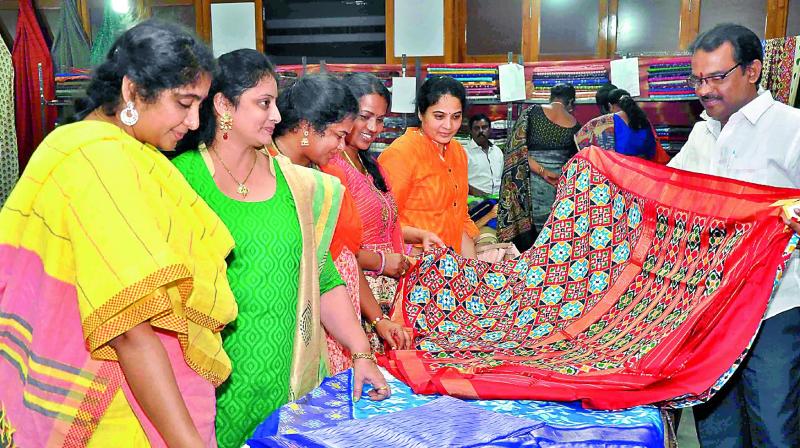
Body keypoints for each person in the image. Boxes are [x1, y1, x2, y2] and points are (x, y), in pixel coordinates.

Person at [0, 20, 231, 447]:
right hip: (114, 405)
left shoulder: (84, 146)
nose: (194, 120)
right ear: (131, 91)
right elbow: (129, 328)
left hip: (127, 386)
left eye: (200, 105)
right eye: (184, 103)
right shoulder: (98, 160)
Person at [174, 55, 389, 448]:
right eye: (263, 103)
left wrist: (361, 352)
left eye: (275, 102)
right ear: (223, 105)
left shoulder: (301, 186)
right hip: (210, 382)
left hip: (290, 377)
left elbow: (321, 275)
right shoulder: (181, 179)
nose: (276, 114)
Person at [668, 23, 800, 447]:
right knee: (717, 426)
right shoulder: (701, 133)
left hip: (774, 308)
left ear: (753, 70)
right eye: (697, 79)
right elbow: (670, 194)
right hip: (712, 306)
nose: (704, 90)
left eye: (716, 77)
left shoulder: (791, 128)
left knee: (774, 425)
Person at [320, 72, 442, 353]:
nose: (373, 127)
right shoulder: (331, 167)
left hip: (390, 294)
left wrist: (419, 235)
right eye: (365, 116)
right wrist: (380, 262)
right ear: (345, 113)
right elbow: (333, 247)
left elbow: (384, 226)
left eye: (380, 119)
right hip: (359, 299)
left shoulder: (370, 164)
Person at [379, 76, 480, 258]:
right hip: (412, 264)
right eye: (439, 116)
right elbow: (382, 224)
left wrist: (472, 274)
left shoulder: (457, 151)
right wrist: (419, 241)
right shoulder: (400, 154)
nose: (448, 126)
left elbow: (460, 218)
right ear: (420, 113)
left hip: (451, 264)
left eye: (456, 117)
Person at [497, 83, 580, 252]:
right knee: (553, 235)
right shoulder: (576, 125)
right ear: (571, 102)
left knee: (531, 243)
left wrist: (543, 172)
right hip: (559, 187)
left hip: (529, 184)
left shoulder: (532, 113)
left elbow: (516, 150)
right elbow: (575, 161)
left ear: (551, 97)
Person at [575, 88, 661, 160]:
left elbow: (580, 139)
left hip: (619, 170)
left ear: (610, 105)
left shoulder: (604, 121)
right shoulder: (643, 119)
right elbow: (651, 150)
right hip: (644, 169)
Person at [465, 113, 503, 198]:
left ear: (490, 130)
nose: (481, 131)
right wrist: (481, 195)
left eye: (484, 127)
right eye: (476, 128)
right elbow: (458, 182)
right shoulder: (464, 153)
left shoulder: (497, 151)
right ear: (471, 131)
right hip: (475, 202)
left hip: (497, 201)